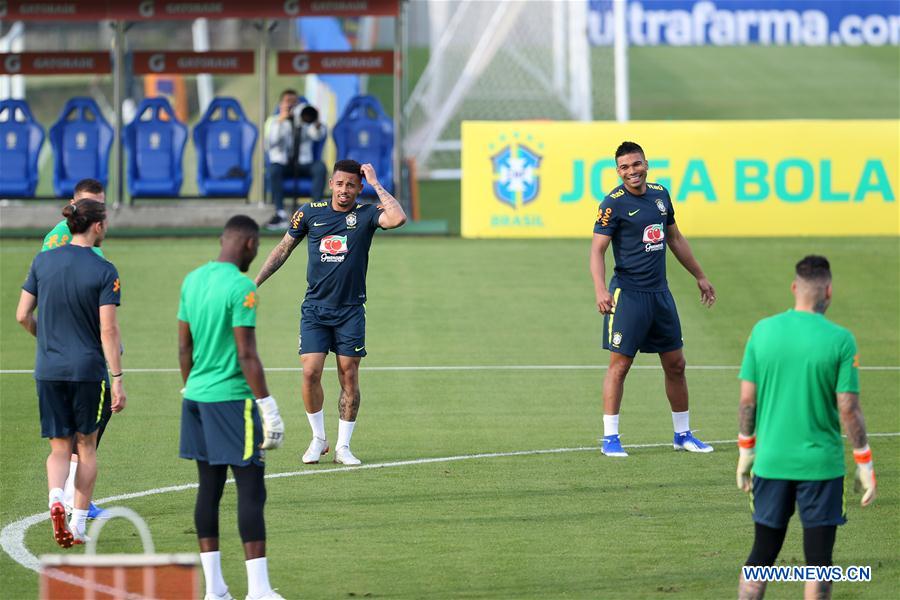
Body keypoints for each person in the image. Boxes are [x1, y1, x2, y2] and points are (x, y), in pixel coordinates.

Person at [736, 255, 876, 600]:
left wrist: (746, 452)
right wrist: (865, 462)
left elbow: (747, 402)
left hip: (771, 461)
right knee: (818, 564)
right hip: (821, 467)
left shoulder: (762, 331)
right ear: (828, 291)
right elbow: (849, 408)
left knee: (761, 557)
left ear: (794, 288)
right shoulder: (841, 340)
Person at [254, 159, 406, 466]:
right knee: (310, 373)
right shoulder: (310, 213)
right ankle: (318, 439)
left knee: (348, 375)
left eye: (351, 185)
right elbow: (283, 248)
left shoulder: (366, 214)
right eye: (339, 184)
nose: (344, 190)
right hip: (315, 309)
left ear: (358, 188)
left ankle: (343, 447)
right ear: (331, 184)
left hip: (351, 310)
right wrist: (254, 283)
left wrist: (376, 183)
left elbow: (398, 217)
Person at [178, 215, 286, 600]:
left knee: (208, 490)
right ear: (251, 245)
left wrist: (191, 387)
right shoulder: (243, 288)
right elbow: (247, 354)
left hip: (195, 398)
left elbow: (184, 347)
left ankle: (215, 589)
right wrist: (268, 407)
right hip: (231, 402)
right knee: (251, 490)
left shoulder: (192, 280)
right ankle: (258, 590)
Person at [589, 141, 716, 457]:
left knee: (676, 364)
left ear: (646, 164)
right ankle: (610, 438)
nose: (631, 171)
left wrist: (699, 275)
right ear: (618, 171)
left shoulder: (660, 195)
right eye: (624, 167)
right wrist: (600, 289)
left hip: (660, 294)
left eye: (636, 164)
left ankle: (683, 434)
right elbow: (597, 250)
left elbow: (674, 238)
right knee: (620, 366)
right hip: (628, 296)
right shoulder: (612, 204)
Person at [16, 198, 125, 548]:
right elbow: (108, 330)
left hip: (48, 368)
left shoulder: (43, 260)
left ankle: (54, 500)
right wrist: (118, 377)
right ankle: (77, 524)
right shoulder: (103, 269)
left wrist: (46, 339)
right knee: (86, 446)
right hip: (87, 370)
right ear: (96, 226)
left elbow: (22, 315)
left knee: (59, 447)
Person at [41, 178, 111, 519]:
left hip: (58, 351)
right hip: (83, 348)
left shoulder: (86, 243)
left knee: (72, 430)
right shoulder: (66, 240)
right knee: (87, 428)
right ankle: (75, 499)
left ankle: (65, 493)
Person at [263, 89, 327, 230]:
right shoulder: (273, 121)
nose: (292, 106)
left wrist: (315, 121)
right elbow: (271, 142)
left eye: (294, 102)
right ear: (281, 104)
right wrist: (281, 120)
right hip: (283, 164)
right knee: (273, 170)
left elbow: (317, 135)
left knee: (320, 167)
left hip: (304, 164)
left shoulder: (304, 120)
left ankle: (316, 210)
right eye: (288, 102)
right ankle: (280, 213)